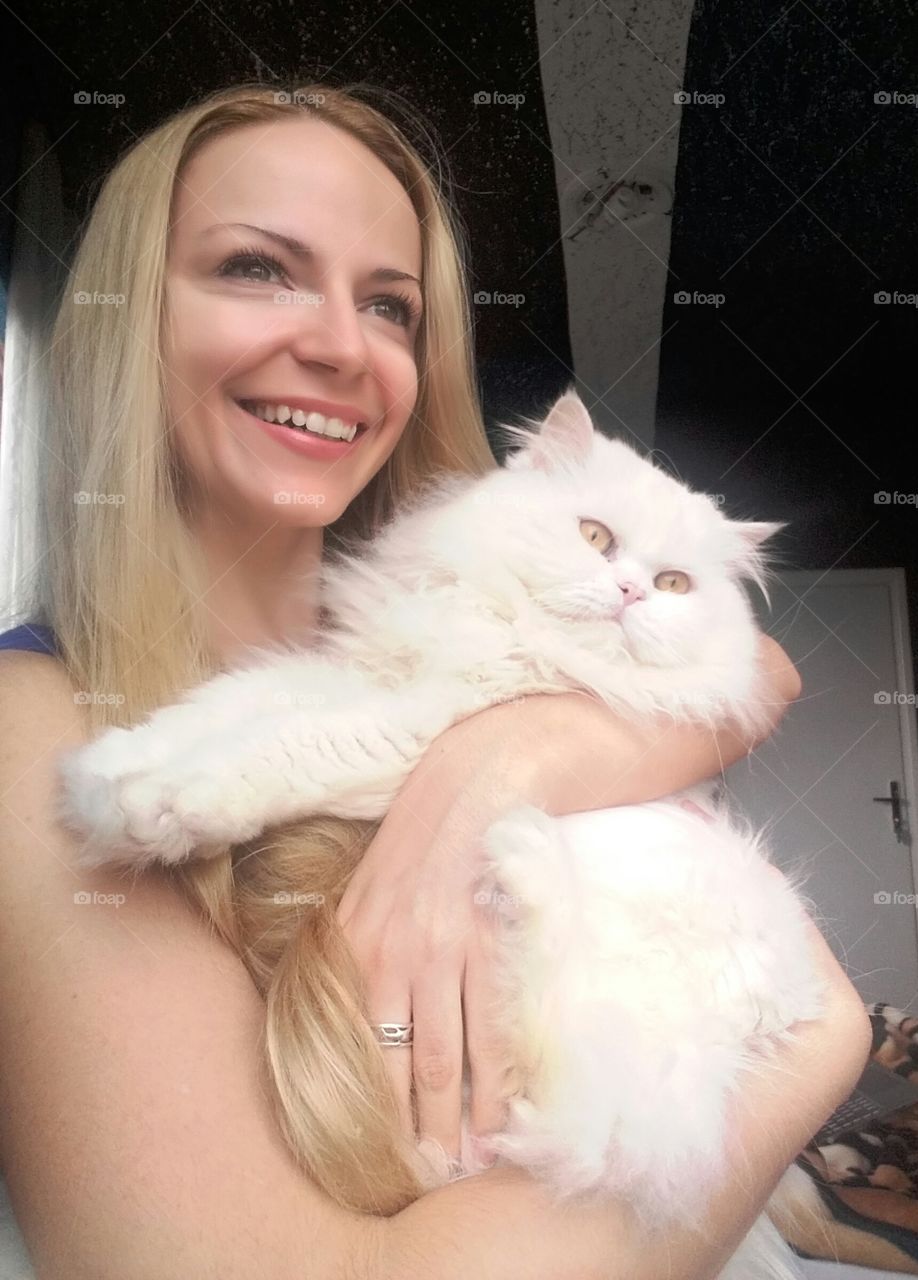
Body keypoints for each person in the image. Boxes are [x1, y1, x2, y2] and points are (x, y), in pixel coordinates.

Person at [0, 81, 871, 1279]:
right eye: (258, 267)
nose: (338, 342)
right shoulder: (32, 721)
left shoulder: (429, 590)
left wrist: (490, 763)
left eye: (390, 304)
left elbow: (756, 671)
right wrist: (821, 1046)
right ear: (125, 312)